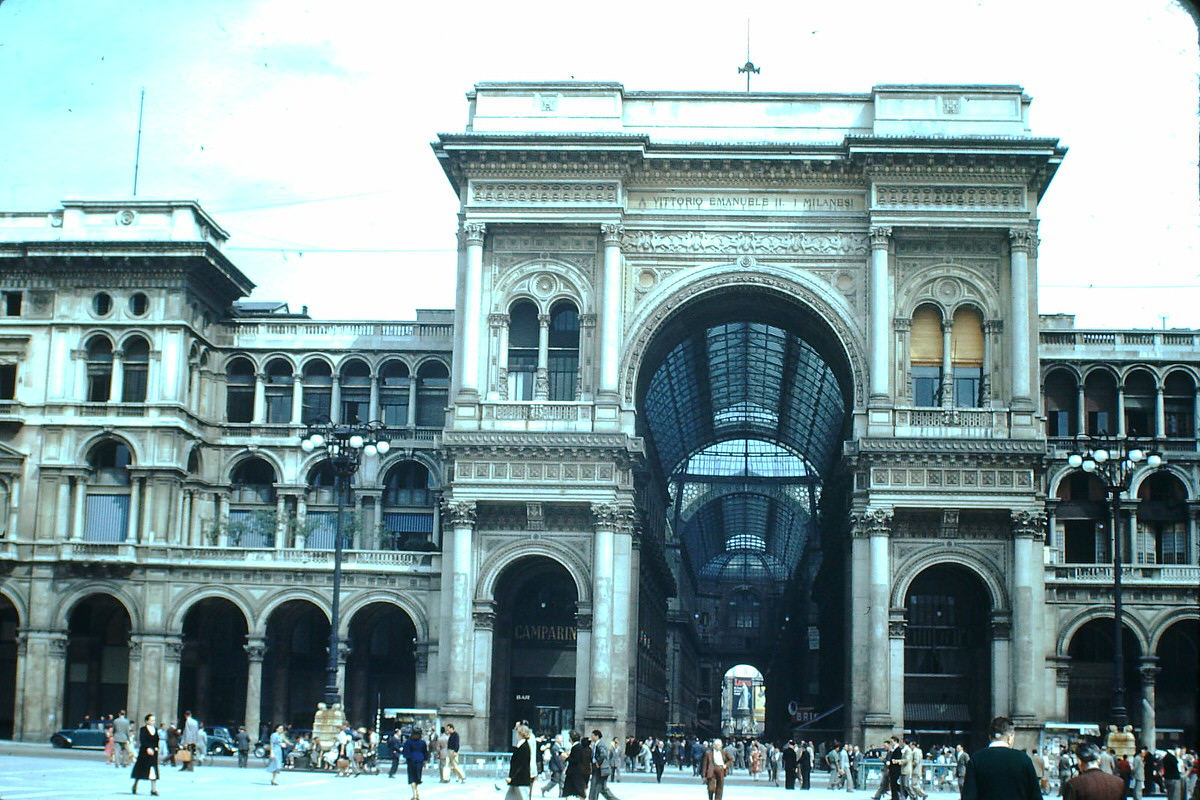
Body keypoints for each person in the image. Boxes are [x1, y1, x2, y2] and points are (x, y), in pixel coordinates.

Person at [962, 716, 1040, 800]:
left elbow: (969, 796)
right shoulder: (1023, 759)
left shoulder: (976, 759)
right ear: (1010, 737)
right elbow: (1035, 796)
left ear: (990, 737)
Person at [130, 713, 160, 796]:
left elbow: (156, 740)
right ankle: (135, 785)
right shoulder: (143, 729)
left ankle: (153, 789)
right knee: (141, 770)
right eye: (151, 720)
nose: (153, 722)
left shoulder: (155, 729)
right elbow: (143, 740)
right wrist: (147, 748)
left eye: (154, 720)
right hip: (144, 753)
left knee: (153, 770)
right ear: (147, 721)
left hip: (153, 753)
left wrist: (156, 747)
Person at [506, 723, 537, 800]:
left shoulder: (524, 747)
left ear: (520, 734)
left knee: (522, 797)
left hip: (520, 779)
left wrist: (511, 777)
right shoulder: (521, 745)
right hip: (518, 779)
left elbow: (520, 765)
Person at [588, 729, 620, 800]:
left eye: (592, 736)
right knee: (602, 788)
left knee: (595, 786)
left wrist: (598, 763)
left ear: (596, 736)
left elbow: (603, 754)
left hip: (600, 769)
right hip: (601, 769)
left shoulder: (600, 744)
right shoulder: (596, 744)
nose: (591, 737)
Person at [402, 728, 430, 799]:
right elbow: (425, 752)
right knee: (418, 777)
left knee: (412, 778)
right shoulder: (422, 742)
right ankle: (418, 792)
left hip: (411, 760)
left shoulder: (408, 742)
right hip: (420, 760)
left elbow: (405, 752)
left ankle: (414, 794)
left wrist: (408, 757)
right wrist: (425, 760)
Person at [563, 730, 591, 799]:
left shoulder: (576, 747)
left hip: (575, 772)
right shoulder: (578, 746)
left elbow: (575, 759)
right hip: (575, 771)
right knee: (571, 790)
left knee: (576, 790)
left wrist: (567, 757)